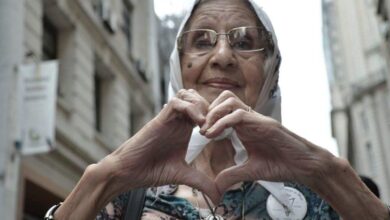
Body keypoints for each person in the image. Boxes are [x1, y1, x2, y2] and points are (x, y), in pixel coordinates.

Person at [48, 0, 390, 219]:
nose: (223, 56)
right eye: (202, 41)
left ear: (270, 71)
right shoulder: (127, 194)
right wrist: (105, 176)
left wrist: (329, 173)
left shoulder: (322, 194)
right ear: (178, 66)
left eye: (244, 42)